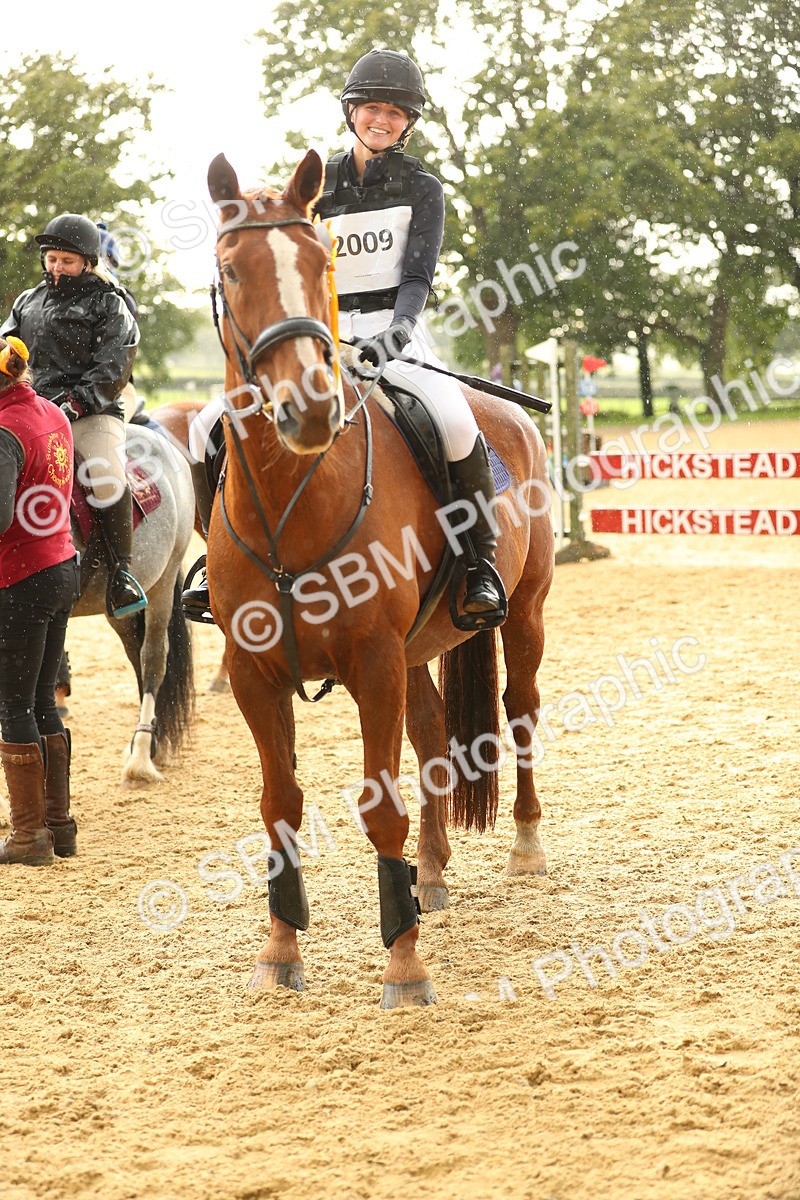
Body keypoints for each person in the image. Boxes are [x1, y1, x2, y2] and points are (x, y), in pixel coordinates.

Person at [182, 49, 506, 627]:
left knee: (456, 423)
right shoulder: (316, 187)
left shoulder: (423, 189)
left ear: (408, 123)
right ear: (351, 111)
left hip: (394, 332)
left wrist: (397, 334)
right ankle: (216, 561)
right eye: (372, 108)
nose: (382, 120)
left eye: (396, 112)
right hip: (318, 336)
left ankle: (479, 561)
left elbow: (417, 276)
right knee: (209, 424)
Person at [1, 214, 147, 619]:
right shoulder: (28, 301)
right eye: (51, 259)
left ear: (86, 261)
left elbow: (112, 370)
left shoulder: (110, 304)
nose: (56, 267)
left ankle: (122, 574)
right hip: (31, 409)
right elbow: (6, 350)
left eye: (66, 260)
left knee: (105, 477)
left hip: (91, 413)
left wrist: (73, 404)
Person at [0, 336, 81, 865]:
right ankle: (59, 825)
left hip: (21, 578)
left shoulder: (4, 430)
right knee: (43, 699)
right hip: (61, 566)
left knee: (13, 706)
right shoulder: (50, 410)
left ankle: (29, 837)